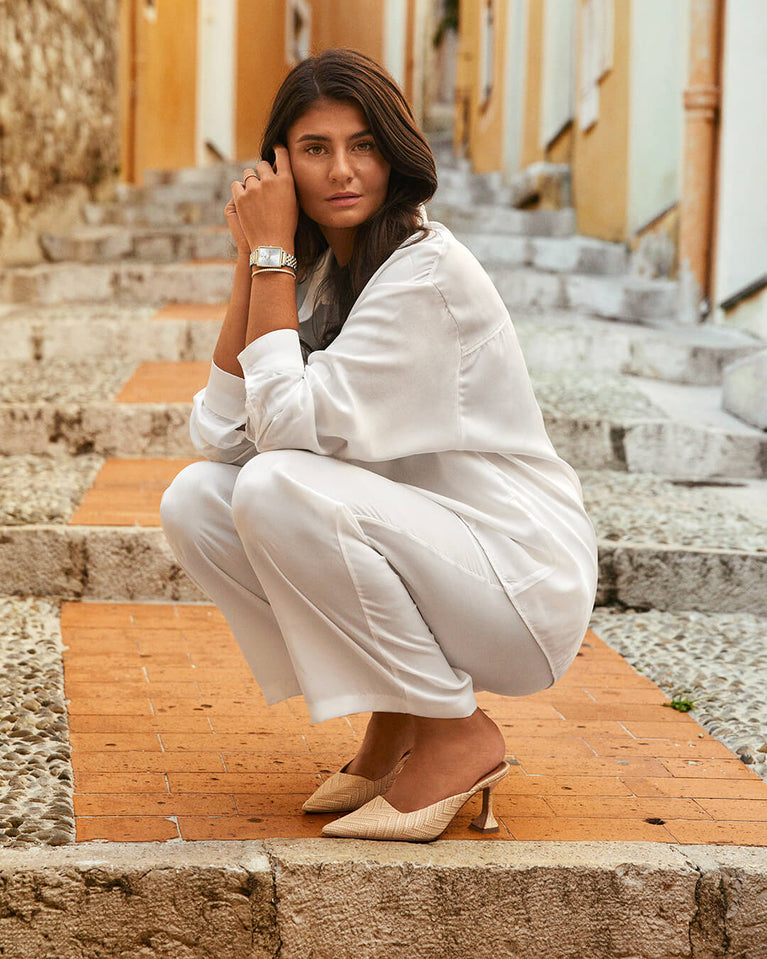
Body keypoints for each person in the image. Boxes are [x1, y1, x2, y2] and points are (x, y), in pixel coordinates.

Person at [160, 48, 598, 842]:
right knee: (196, 499)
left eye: (362, 144)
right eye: (314, 149)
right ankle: (398, 718)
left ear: (393, 152)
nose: (342, 170)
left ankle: (454, 732)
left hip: (516, 577)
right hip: (442, 554)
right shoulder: (329, 273)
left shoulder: (424, 274)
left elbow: (284, 432)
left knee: (275, 486)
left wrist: (272, 255)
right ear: (280, 167)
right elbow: (221, 434)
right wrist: (252, 260)